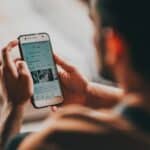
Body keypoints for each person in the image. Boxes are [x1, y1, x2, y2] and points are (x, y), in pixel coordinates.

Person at [1, 0, 150, 149]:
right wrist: (88, 93)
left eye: (94, 26)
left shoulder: (62, 138)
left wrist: (15, 105)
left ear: (114, 45)